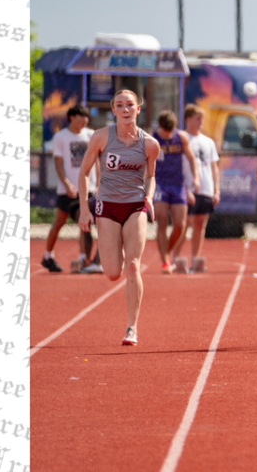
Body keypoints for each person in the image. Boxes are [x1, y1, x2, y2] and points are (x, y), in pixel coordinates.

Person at [77, 89, 161, 346]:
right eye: (120, 105)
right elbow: (83, 173)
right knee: (113, 272)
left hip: (135, 205)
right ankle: (118, 248)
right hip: (107, 207)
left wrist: (149, 196)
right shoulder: (101, 137)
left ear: (139, 108)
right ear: (113, 110)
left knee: (133, 265)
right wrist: (84, 208)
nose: (126, 109)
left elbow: (150, 175)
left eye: (130, 105)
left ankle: (132, 328)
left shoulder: (149, 144)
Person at [45, 105, 102, 274]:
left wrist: (98, 184)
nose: (84, 120)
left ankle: (84, 258)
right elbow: (58, 163)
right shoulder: (60, 137)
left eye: (86, 118)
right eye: (81, 117)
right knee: (59, 222)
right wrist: (67, 183)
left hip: (89, 189)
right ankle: (48, 255)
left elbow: (97, 162)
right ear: (72, 118)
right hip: (67, 190)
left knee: (85, 222)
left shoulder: (91, 135)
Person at [173, 105, 219, 273]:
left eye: (202, 119)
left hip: (205, 188)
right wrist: (185, 188)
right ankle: (175, 259)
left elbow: (214, 167)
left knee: (200, 224)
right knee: (183, 225)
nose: (201, 122)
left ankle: (195, 260)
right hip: (186, 189)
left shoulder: (208, 142)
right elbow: (175, 167)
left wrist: (216, 190)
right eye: (197, 119)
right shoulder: (180, 139)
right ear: (188, 119)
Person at [151, 111, 199, 274]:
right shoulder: (152, 139)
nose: (168, 135)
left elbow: (192, 159)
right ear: (160, 127)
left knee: (180, 224)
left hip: (178, 185)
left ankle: (165, 252)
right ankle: (165, 261)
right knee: (162, 220)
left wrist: (196, 178)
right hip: (159, 185)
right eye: (165, 132)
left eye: (170, 132)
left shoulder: (181, 137)